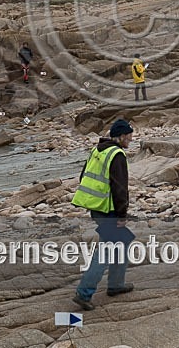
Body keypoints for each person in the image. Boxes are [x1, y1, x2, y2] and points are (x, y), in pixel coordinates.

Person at [72, 118, 136, 311]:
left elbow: (83, 176)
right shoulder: (117, 155)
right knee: (107, 250)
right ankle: (83, 293)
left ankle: (116, 284)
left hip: (97, 207)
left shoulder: (97, 150)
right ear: (122, 136)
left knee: (122, 241)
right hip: (109, 210)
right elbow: (120, 188)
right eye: (130, 136)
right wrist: (122, 214)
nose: (131, 140)